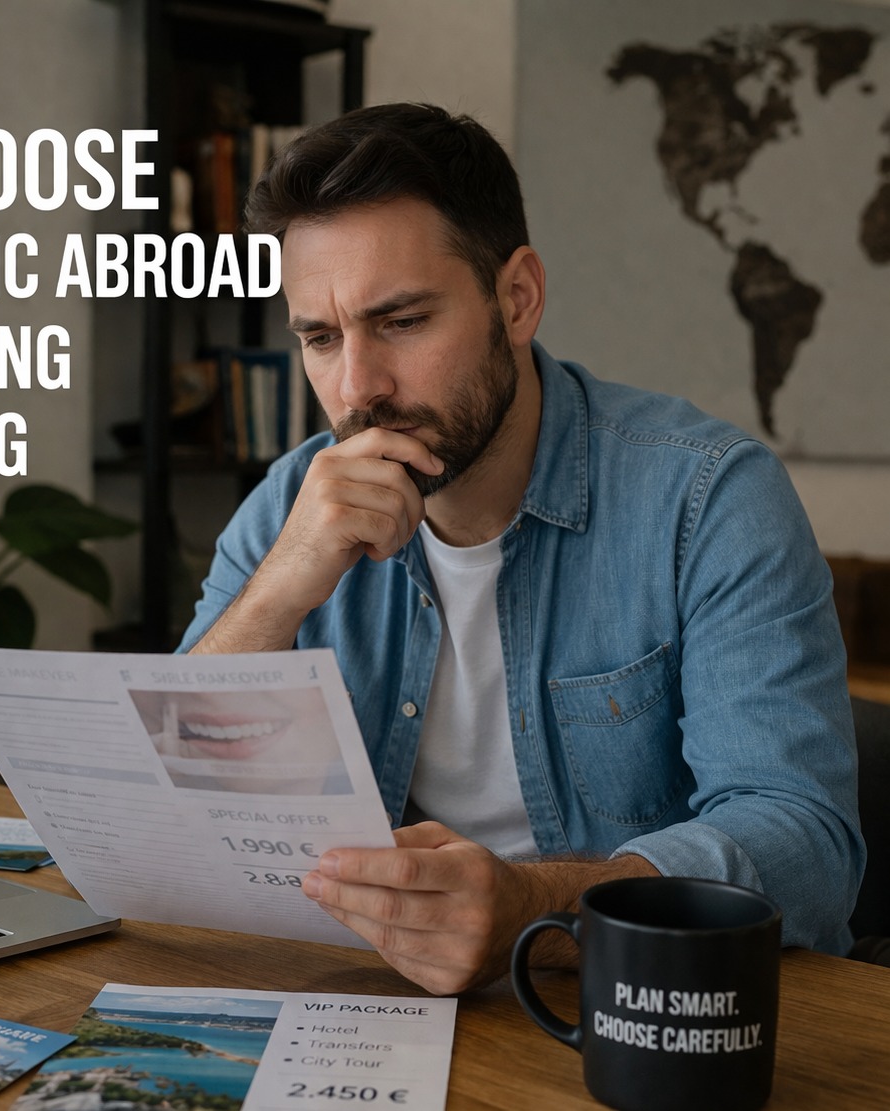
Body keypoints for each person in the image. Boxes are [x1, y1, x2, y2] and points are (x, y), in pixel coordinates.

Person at [180, 103, 863, 995]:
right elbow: (172, 799)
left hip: (626, 1005)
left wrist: (534, 912)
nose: (357, 387)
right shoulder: (291, 502)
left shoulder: (707, 499)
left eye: (401, 321)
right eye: (319, 337)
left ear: (516, 298)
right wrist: (276, 594)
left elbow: (805, 845)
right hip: (373, 999)